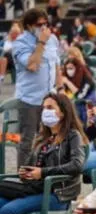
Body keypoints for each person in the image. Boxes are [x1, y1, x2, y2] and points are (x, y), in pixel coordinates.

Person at [0, 93, 87, 214]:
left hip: (57, 194)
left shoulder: (72, 136)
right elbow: (34, 166)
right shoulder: (43, 138)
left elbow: (77, 165)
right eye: (43, 108)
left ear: (62, 112)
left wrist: (43, 173)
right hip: (36, 189)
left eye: (50, 108)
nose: (44, 111)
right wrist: (26, 172)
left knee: (8, 212)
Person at [13, 8, 61, 168]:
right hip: (30, 100)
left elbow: (56, 65)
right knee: (28, 140)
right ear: (28, 25)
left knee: (52, 137)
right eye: (39, 24)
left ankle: (45, 172)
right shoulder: (20, 43)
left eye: (45, 24)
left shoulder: (52, 39)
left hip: (50, 98)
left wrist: (60, 90)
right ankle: (24, 175)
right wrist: (41, 42)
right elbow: (32, 65)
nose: (43, 27)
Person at [60, 57, 96, 123]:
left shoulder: (87, 80)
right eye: (67, 69)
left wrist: (68, 82)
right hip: (73, 103)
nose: (68, 71)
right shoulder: (65, 77)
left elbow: (80, 95)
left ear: (77, 68)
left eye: (71, 68)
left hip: (85, 103)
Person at [0, 21, 22, 89]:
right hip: (9, 59)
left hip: (19, 59)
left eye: (16, 26)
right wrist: (9, 40)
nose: (14, 28)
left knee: (7, 55)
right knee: (4, 57)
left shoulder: (22, 38)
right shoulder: (7, 39)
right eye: (13, 26)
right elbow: (5, 49)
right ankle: (1, 78)